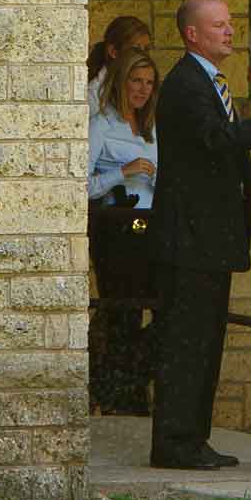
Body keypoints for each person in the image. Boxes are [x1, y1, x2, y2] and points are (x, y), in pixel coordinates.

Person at [146, 0, 251, 470]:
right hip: (190, 239)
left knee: (206, 340)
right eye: (218, 25)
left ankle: (194, 438)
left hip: (211, 239)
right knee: (187, 341)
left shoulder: (213, 83)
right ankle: (175, 442)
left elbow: (225, 151)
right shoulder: (184, 85)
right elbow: (214, 139)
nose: (229, 31)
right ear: (191, 34)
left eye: (231, 23)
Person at [88, 50, 160, 416]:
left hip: (150, 226)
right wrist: (123, 172)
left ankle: (120, 383)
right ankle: (119, 394)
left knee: (162, 311)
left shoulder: (151, 126)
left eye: (149, 83)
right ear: (120, 81)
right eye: (136, 80)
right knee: (122, 313)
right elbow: (80, 185)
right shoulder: (102, 124)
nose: (142, 90)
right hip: (116, 227)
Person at [86, 15, 152, 113]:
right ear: (113, 52)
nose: (142, 56)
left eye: (146, 49)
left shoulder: (146, 90)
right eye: (136, 49)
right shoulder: (93, 97)